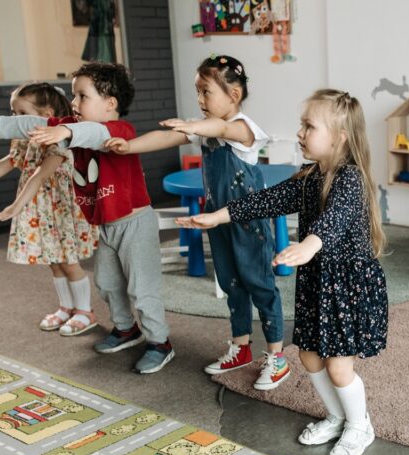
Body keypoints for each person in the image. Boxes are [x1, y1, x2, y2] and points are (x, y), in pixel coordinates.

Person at [178, 89, 387, 455]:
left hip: (347, 287)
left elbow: (334, 218)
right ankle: (336, 416)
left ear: (339, 137)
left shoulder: (350, 179)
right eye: (301, 125)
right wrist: (216, 216)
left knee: (339, 367)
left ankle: (360, 425)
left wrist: (308, 245)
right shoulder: (308, 176)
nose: (301, 133)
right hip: (318, 284)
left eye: (309, 126)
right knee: (308, 356)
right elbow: (265, 200)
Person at [0, 62, 175, 374]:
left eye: (82, 96)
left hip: (134, 224)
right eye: (74, 96)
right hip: (107, 226)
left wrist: (66, 129)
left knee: (141, 287)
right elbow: (30, 125)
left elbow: (94, 133)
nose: (74, 103)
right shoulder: (70, 128)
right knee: (108, 283)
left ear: (110, 104)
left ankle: (160, 343)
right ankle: (126, 330)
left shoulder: (118, 130)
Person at [104, 55, 289, 390]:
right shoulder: (204, 129)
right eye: (198, 93)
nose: (200, 100)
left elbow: (221, 129)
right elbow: (166, 138)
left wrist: (192, 126)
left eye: (206, 92)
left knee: (259, 285)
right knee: (231, 284)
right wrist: (128, 146)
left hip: (248, 224)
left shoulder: (245, 128)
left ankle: (276, 356)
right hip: (216, 221)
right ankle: (241, 347)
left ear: (233, 95)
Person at [0, 82, 98, 336]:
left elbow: (41, 174)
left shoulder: (61, 138)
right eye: (13, 113)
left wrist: (17, 205)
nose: (15, 119)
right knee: (52, 261)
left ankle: (85, 311)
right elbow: (6, 163)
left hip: (60, 209)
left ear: (46, 113)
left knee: (68, 261)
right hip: (40, 209)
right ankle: (66, 307)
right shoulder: (24, 140)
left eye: (21, 113)